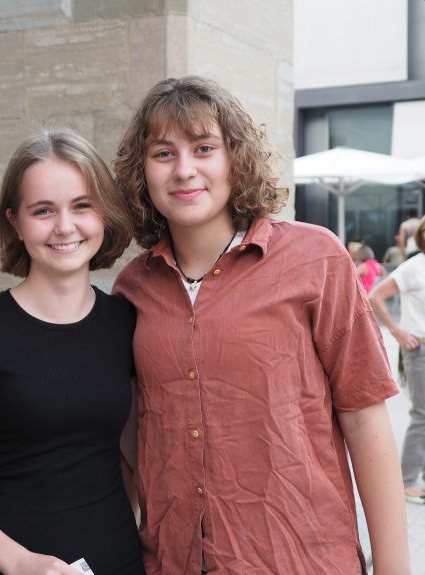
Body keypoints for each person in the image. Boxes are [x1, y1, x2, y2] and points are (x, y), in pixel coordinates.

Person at [112, 76, 410, 574]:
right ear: (142, 171)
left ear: (235, 158)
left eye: (204, 148)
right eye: (163, 153)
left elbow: (364, 417)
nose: (184, 170)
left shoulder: (315, 258)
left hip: (299, 557)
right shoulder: (132, 288)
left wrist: (394, 568)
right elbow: (131, 439)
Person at [0, 129, 145, 575]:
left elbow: (135, 459)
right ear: (15, 222)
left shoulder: (127, 323)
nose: (65, 226)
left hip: (119, 561)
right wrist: (20, 562)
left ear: (105, 214)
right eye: (43, 211)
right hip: (12, 567)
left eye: (82, 205)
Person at [370, 216, 425, 506]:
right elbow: (375, 297)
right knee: (422, 415)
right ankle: (408, 481)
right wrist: (397, 331)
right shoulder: (413, 268)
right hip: (419, 350)